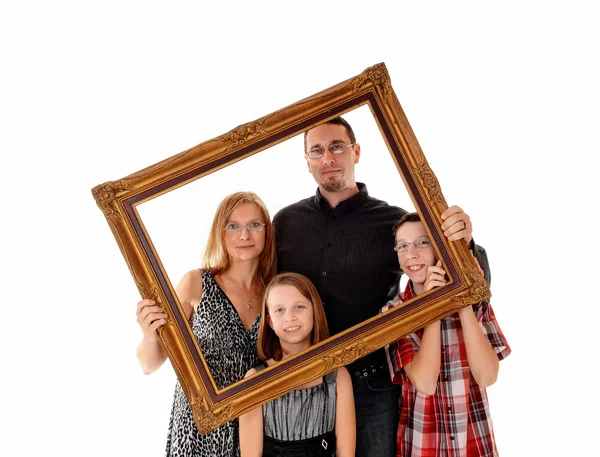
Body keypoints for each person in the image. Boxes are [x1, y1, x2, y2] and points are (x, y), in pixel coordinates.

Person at [272, 116, 490, 457]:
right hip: (305, 384)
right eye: (317, 150)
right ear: (307, 161)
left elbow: (475, 283)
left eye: (337, 147)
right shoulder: (285, 222)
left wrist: (466, 241)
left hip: (372, 384)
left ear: (356, 152)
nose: (328, 158)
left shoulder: (393, 222)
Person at [135, 191, 276, 457]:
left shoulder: (275, 293)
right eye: (233, 226)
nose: (244, 235)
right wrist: (150, 335)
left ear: (267, 231)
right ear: (221, 234)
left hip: (254, 428)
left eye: (254, 225)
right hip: (199, 425)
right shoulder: (196, 283)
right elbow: (149, 364)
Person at [381, 212, 510, 456]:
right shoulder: (393, 313)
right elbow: (424, 382)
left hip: (473, 442)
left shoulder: (475, 301)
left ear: (440, 247)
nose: (412, 254)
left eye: (422, 242)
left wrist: (460, 300)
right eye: (403, 246)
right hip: (422, 445)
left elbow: (487, 376)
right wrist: (434, 306)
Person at [239, 272, 356, 457]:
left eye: (299, 307)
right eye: (279, 310)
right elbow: (251, 453)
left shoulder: (338, 376)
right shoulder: (255, 380)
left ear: (314, 310)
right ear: (269, 321)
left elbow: (346, 453)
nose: (290, 317)